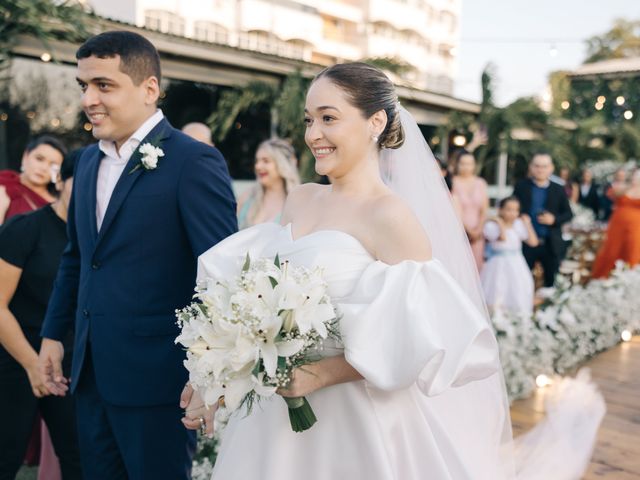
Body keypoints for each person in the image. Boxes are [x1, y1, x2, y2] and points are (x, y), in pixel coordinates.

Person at [37, 31, 237, 480]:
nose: (89, 98)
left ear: (149, 90)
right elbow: (78, 259)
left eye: (103, 85)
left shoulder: (194, 162)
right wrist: (53, 335)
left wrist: (210, 373)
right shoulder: (86, 162)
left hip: (159, 381)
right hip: (89, 375)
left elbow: (222, 277)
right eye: (83, 85)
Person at [0, 150, 82, 480]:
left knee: (79, 457)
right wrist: (33, 365)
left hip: (68, 363)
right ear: (60, 180)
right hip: (15, 356)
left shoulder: (95, 238)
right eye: (84, 181)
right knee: (6, 454)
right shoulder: (25, 228)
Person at [513, 153, 573, 287]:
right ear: (531, 167)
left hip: (550, 243)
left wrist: (554, 219)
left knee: (551, 282)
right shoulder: (521, 186)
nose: (540, 169)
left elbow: (568, 214)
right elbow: (512, 209)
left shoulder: (558, 189)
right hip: (526, 242)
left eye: (544, 166)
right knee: (522, 281)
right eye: (537, 166)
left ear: (551, 168)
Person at [480, 197, 539, 315]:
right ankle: (497, 318)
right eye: (508, 209)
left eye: (516, 210)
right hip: (498, 264)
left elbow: (533, 242)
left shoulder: (518, 224)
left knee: (519, 288)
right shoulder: (492, 225)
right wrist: (500, 222)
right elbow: (503, 238)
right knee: (498, 289)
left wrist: (527, 224)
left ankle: (517, 318)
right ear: (500, 210)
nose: (513, 213)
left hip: (517, 263)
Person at [0, 136, 66, 225]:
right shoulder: (5, 184)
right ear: (25, 156)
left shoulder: (59, 201)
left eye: (53, 165)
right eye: (39, 159)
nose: (44, 168)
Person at [236, 138, 300, 229]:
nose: (258, 166)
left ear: (282, 164)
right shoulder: (247, 197)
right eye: (257, 161)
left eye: (266, 161)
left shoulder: (297, 204)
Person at [591, 169, 640, 278]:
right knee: (612, 250)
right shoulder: (623, 188)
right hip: (618, 223)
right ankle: (603, 277)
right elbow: (613, 194)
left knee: (633, 250)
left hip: (636, 225)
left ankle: (631, 278)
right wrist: (631, 186)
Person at [451, 150, 489, 270]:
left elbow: (484, 209)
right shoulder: (452, 182)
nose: (466, 167)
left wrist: (478, 229)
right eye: (463, 163)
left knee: (476, 266)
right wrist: (466, 229)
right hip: (458, 230)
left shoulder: (480, 183)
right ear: (457, 164)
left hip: (477, 233)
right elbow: (453, 209)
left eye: (469, 163)